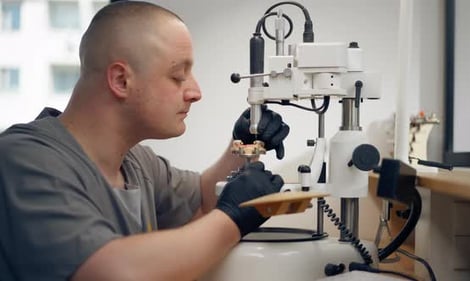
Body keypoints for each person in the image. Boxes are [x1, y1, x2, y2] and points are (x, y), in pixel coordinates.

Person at [0, 1, 290, 280]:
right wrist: (232, 220)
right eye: (178, 76)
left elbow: (202, 201)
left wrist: (242, 145)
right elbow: (111, 273)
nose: (195, 92)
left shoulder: (136, 162)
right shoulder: (24, 159)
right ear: (121, 80)